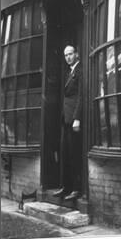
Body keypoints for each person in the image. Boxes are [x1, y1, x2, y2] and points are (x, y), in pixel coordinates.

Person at [53, 45, 82, 201]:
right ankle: (66, 187)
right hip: (66, 118)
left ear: (76, 54)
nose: (68, 57)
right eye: (66, 55)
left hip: (73, 120)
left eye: (70, 54)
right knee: (65, 153)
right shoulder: (68, 72)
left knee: (74, 154)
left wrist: (77, 118)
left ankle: (76, 189)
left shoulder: (80, 71)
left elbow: (80, 96)